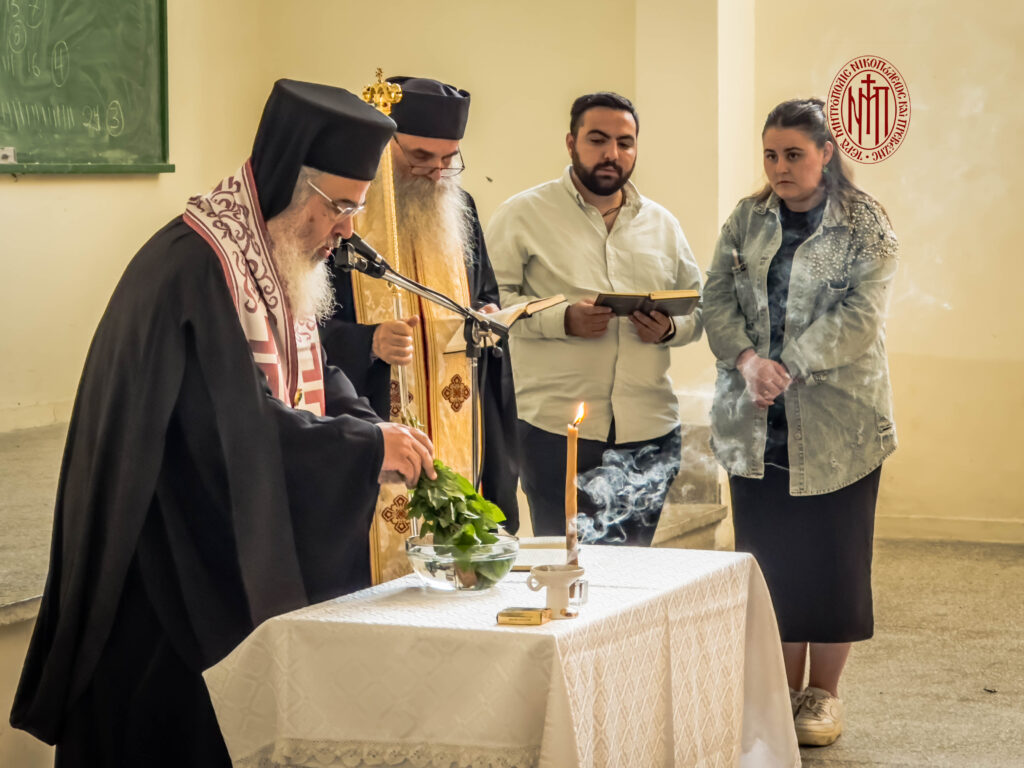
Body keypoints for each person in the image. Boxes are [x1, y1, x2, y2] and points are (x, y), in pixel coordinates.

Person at [9, 79, 436, 767]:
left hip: (225, 560)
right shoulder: (196, 269)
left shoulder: (276, 254)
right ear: (289, 183)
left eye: (356, 210)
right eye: (339, 208)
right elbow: (224, 433)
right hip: (174, 577)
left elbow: (315, 373)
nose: (348, 230)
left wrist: (368, 426)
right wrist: (360, 448)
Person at [703, 98, 899, 747]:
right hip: (755, 422)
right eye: (770, 155)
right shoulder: (747, 217)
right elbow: (717, 296)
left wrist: (784, 366)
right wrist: (748, 359)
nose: (780, 167)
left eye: (794, 154)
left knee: (834, 560)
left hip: (840, 421)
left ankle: (824, 695)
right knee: (772, 562)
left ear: (827, 153)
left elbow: (859, 316)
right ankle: (783, 690)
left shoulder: (863, 223)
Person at [321, 75, 520, 582]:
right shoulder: (341, 215)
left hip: (458, 413)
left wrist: (490, 317)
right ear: (386, 145)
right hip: (376, 419)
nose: (435, 172)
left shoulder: (464, 206)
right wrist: (367, 341)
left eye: (448, 158)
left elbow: (484, 291)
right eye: (420, 156)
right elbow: (301, 328)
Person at [488, 92, 702, 546]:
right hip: (556, 432)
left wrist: (669, 328)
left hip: (649, 431)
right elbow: (490, 307)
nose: (612, 154)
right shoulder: (523, 214)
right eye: (598, 140)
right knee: (566, 567)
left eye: (625, 142)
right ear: (571, 143)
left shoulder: (662, 225)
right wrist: (561, 319)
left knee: (632, 573)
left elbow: (699, 307)